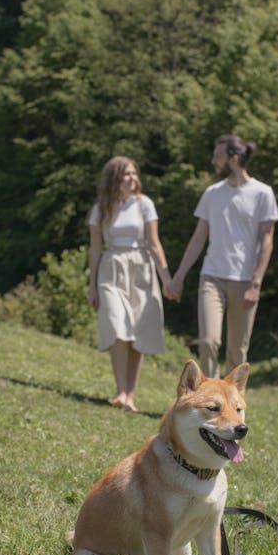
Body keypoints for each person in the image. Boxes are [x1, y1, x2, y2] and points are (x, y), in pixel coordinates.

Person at [167, 134, 278, 378]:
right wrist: (179, 276)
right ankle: (210, 399)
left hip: (245, 279)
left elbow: (267, 240)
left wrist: (256, 283)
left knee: (237, 351)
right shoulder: (212, 193)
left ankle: (233, 405)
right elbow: (198, 239)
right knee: (208, 341)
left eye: (218, 157)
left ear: (234, 158)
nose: (213, 162)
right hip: (212, 276)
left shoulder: (262, 193)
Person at [88, 156, 172, 412]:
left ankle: (130, 396)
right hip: (111, 268)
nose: (133, 178)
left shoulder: (144, 204)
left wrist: (166, 277)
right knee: (117, 326)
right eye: (127, 174)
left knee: (138, 333)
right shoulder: (101, 208)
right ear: (114, 178)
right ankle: (120, 390)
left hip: (141, 269)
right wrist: (92, 285)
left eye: (135, 174)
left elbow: (154, 243)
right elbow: (94, 249)